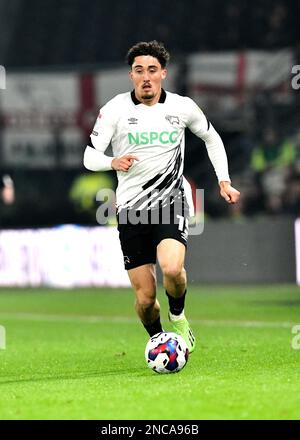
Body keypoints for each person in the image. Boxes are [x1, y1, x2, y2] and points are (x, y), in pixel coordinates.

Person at [83, 41, 240, 353]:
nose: (146, 77)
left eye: (152, 70)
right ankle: (157, 337)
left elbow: (212, 137)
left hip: (171, 201)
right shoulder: (115, 110)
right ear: (131, 75)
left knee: (171, 269)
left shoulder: (181, 107)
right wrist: (111, 161)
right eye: (139, 70)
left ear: (163, 74)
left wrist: (224, 180)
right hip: (131, 210)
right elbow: (89, 156)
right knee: (144, 300)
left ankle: (178, 314)